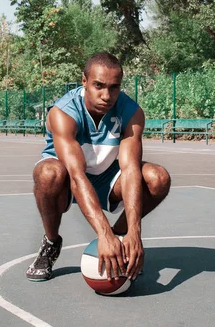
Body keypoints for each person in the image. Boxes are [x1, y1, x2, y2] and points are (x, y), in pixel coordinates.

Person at [26, 52, 171, 282]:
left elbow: (131, 169)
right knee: (49, 174)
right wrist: (101, 233)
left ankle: (120, 241)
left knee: (158, 178)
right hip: (68, 180)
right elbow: (76, 175)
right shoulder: (63, 112)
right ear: (84, 81)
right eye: (99, 86)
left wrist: (134, 231)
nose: (107, 95)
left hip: (108, 178)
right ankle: (51, 243)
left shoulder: (131, 112)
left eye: (114, 87)